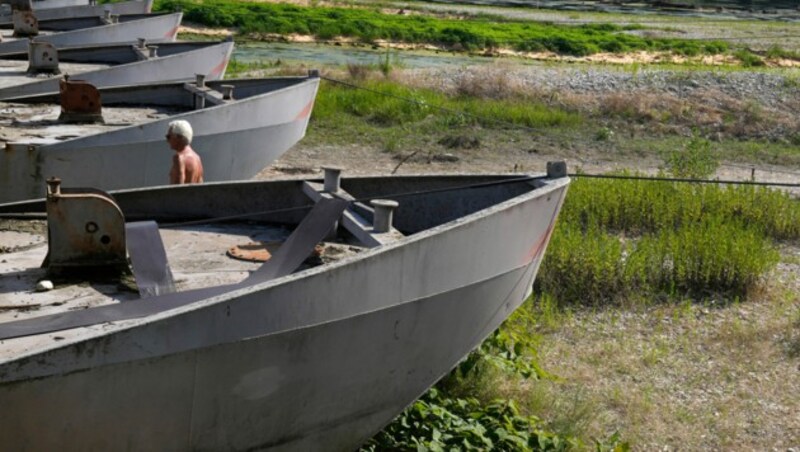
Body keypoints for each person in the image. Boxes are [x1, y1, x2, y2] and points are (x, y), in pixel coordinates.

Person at [166, 119, 204, 184]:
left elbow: (177, 190)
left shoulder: (179, 158)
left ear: (179, 137)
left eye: (168, 136)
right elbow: (201, 185)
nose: (167, 141)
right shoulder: (197, 158)